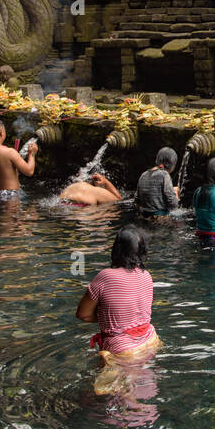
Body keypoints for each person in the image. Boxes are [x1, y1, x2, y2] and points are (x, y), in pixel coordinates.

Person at [76, 225, 159, 392]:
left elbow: (83, 315)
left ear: (116, 250)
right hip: (150, 341)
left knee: (108, 397)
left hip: (122, 349)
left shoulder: (105, 276)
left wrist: (109, 318)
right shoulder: (147, 276)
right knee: (140, 390)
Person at [0, 118, 38, 200]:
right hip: (10, 195)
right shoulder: (9, 152)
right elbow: (29, 171)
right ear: (1, 133)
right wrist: (32, 154)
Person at [136, 147, 180, 215]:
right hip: (159, 218)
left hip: (143, 216)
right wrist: (176, 194)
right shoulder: (164, 175)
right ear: (171, 163)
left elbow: (137, 201)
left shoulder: (143, 175)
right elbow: (173, 204)